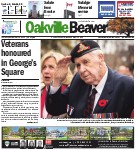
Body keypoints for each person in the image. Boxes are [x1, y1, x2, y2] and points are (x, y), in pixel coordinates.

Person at [46, 40, 134, 118]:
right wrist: (57, 80)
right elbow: (55, 109)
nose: (81, 70)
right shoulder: (78, 80)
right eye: (78, 65)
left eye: (86, 62)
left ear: (100, 58)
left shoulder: (127, 86)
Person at [41, 51, 73, 118]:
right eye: (44, 67)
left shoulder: (71, 94)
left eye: (51, 67)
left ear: (63, 69)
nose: (46, 71)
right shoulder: (39, 92)